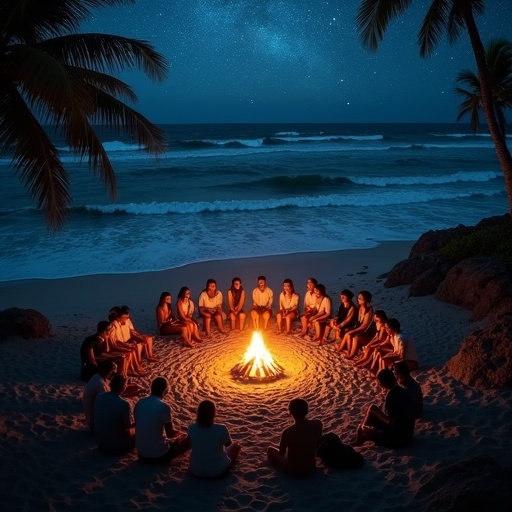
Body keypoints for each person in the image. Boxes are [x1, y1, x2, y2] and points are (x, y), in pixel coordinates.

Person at [134, 376, 190, 463]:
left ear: (151, 388)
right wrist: (179, 434)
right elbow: (170, 434)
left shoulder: (140, 402)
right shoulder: (164, 406)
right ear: (166, 391)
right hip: (157, 455)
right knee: (189, 441)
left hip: (141, 454)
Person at [355, 369, 416, 448]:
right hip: (408, 434)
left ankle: (362, 435)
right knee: (373, 409)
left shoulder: (391, 395)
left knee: (372, 412)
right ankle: (362, 432)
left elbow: (391, 422)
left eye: (379, 381)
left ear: (384, 382)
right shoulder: (402, 390)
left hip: (400, 439)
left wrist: (381, 416)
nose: (379, 384)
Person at [267, 398, 323, 476]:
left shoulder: (287, 432)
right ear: (307, 411)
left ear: (291, 412)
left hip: (293, 471)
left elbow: (281, 453)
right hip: (310, 468)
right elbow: (318, 441)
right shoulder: (318, 424)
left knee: (270, 450)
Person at [187, 400, 241, 478]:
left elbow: (189, 443)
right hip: (217, 471)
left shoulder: (192, 427)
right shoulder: (221, 428)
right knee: (236, 445)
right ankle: (228, 464)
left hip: (195, 470)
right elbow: (228, 444)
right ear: (213, 413)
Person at [94, 374, 135, 455]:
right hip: (117, 447)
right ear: (123, 387)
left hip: (101, 443)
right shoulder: (124, 403)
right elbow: (128, 426)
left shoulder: (99, 396)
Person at [336, 290, 376, 359]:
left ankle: (350, 353)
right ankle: (349, 351)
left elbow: (365, 326)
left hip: (366, 331)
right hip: (360, 328)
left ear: (366, 300)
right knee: (347, 332)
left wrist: (353, 330)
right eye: (358, 298)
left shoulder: (369, 310)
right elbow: (352, 319)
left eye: (361, 299)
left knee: (349, 334)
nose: (359, 300)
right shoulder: (359, 308)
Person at [82, 360, 117, 431]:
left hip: (90, 416)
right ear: (107, 371)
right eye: (111, 371)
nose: (112, 374)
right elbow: (108, 404)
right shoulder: (101, 385)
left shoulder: (96, 377)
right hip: (94, 423)